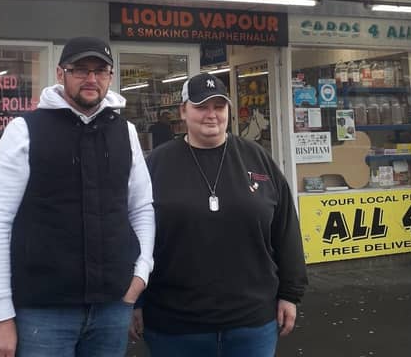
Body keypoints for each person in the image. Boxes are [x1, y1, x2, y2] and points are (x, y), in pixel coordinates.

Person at [0, 36, 155, 357]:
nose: (91, 79)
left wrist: (141, 272)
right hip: (42, 311)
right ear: (61, 74)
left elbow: (141, 208)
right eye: (80, 70)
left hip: (112, 307)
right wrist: (1, 315)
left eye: (100, 71)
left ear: (111, 77)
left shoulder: (124, 132)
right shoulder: (24, 130)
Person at [131, 73, 307, 357]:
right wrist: (135, 301)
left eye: (219, 106)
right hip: (175, 326)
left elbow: (286, 230)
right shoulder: (157, 165)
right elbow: (135, 235)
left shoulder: (258, 159)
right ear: (183, 111)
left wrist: (290, 294)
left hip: (251, 324)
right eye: (201, 106)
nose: (211, 115)